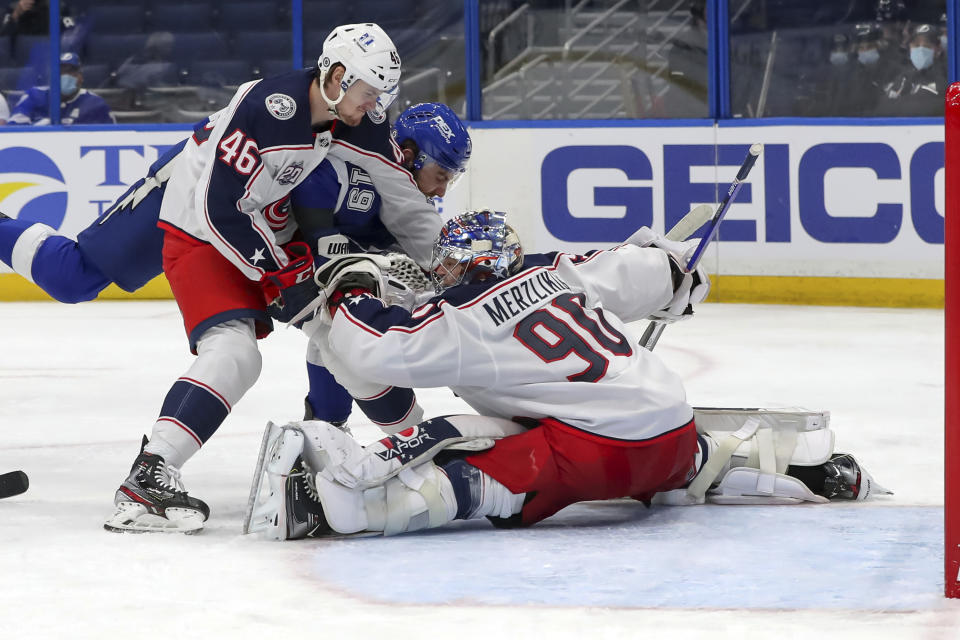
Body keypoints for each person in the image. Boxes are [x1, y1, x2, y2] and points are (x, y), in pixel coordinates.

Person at [243, 210, 890, 540]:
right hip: (671, 424)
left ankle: (355, 510)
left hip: (599, 452)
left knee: (473, 463)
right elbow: (662, 272)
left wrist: (347, 295)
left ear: (467, 266)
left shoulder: (464, 320)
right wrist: (678, 280)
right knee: (686, 459)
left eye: (445, 267)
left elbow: (376, 355)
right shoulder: (561, 273)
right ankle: (808, 472)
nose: (437, 276)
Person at [99, 24, 471, 535]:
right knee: (234, 354)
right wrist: (279, 272)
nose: (373, 105)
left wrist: (452, 268)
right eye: (367, 93)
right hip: (203, 236)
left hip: (274, 240)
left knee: (353, 341)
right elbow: (219, 209)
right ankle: (148, 475)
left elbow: (405, 200)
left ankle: (423, 452)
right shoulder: (267, 109)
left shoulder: (358, 116)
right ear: (337, 76)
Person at [8, 52, 114, 125]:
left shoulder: (95, 103)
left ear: (81, 77)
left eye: (71, 72)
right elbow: (13, 129)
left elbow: (112, 137)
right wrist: (38, 129)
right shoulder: (34, 95)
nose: (65, 76)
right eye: (61, 72)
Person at [879, 23, 947, 117]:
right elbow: (882, 107)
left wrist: (900, 103)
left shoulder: (947, 76)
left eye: (927, 46)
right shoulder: (904, 76)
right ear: (910, 48)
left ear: (937, 49)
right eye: (916, 45)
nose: (921, 50)